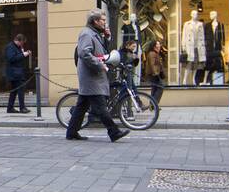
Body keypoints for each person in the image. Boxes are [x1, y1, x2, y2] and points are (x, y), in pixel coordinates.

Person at [65, 9, 129, 142]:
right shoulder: (86, 34)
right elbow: (85, 53)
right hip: (91, 76)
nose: (105, 23)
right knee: (100, 107)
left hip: (93, 75)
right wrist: (100, 65)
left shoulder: (95, 33)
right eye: (103, 20)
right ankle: (114, 132)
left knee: (81, 106)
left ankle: (71, 132)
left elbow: (102, 50)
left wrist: (107, 37)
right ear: (95, 21)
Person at [4, 34, 31, 113]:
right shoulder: (10, 47)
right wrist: (23, 54)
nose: (22, 44)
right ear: (19, 41)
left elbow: (18, 58)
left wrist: (23, 53)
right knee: (20, 90)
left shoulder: (17, 47)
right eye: (22, 43)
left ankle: (10, 108)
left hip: (17, 72)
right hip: (15, 73)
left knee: (14, 91)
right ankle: (22, 108)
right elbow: (11, 58)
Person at [144, 39, 165, 106]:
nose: (159, 45)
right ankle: (154, 104)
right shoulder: (152, 54)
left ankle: (152, 105)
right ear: (154, 46)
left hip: (155, 74)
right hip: (154, 74)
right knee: (160, 87)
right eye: (158, 44)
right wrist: (155, 73)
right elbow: (152, 64)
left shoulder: (155, 53)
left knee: (154, 88)